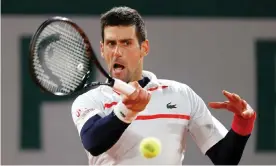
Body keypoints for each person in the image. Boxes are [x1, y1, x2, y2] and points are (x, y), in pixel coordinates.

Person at [71, 6, 256, 165]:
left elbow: (225, 159)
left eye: (126, 43)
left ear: (144, 48)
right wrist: (127, 110)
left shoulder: (181, 95)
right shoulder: (90, 100)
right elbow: (93, 142)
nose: (117, 52)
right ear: (102, 49)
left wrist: (243, 122)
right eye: (111, 44)